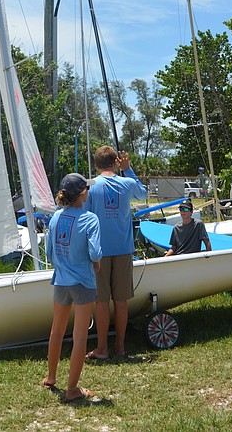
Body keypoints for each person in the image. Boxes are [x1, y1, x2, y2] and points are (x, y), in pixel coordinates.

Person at [43, 173, 102, 403]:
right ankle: (73, 389)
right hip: (83, 283)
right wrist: (94, 260)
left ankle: (51, 377)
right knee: (80, 337)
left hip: (60, 281)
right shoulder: (90, 219)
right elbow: (96, 253)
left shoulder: (56, 217)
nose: (89, 191)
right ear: (81, 194)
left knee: (56, 331)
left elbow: (49, 252)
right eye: (86, 188)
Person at [85, 146, 148, 359]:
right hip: (123, 250)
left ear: (96, 165)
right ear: (116, 162)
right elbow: (143, 194)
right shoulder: (127, 183)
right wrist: (128, 169)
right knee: (121, 301)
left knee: (101, 301)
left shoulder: (90, 186)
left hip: (98, 252)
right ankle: (120, 348)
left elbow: (84, 218)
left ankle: (102, 348)